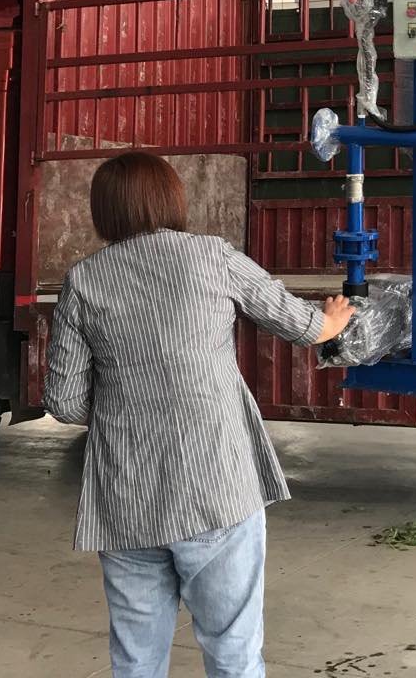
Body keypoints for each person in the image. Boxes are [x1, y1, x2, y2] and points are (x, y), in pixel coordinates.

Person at [45, 150, 355, 678]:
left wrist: (132, 405)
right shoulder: (212, 256)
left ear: (104, 213)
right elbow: (303, 327)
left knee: (136, 661)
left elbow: (64, 401)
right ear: (171, 200)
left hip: (126, 499)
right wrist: (332, 319)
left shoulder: (84, 281)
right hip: (215, 488)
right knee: (233, 653)